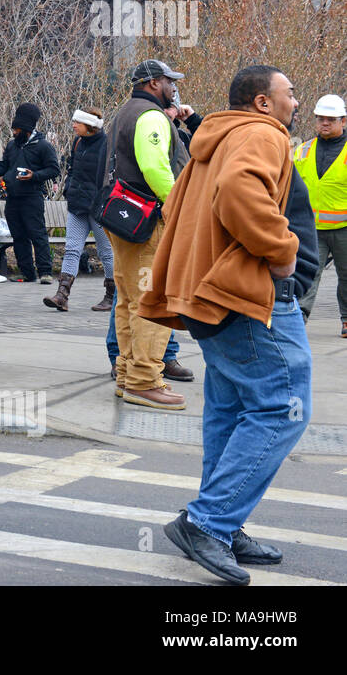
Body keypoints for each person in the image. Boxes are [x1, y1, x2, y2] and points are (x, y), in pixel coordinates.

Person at [142, 66, 315, 584]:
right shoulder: (264, 134)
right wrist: (282, 252)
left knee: (230, 410)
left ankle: (222, 518)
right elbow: (241, 193)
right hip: (245, 297)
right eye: (289, 92)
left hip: (209, 297)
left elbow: (173, 206)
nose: (296, 101)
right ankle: (210, 522)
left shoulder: (214, 137)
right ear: (262, 101)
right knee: (282, 410)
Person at [101, 59, 191, 409]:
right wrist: (178, 205)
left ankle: (127, 374)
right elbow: (154, 166)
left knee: (128, 300)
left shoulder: (126, 112)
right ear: (154, 83)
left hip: (125, 220)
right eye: (170, 81)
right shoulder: (151, 116)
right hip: (148, 221)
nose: (173, 87)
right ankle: (143, 380)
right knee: (154, 302)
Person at [44, 107, 115, 311]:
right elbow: (72, 169)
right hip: (77, 205)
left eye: (77, 122)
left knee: (106, 253)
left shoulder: (108, 144)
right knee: (72, 250)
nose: (73, 125)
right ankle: (62, 296)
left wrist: (103, 199)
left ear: (90, 126)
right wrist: (68, 189)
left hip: (98, 207)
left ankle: (112, 296)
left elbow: (110, 176)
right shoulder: (77, 143)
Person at [0, 103, 60, 284]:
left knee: (37, 234)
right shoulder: (12, 146)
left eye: (17, 129)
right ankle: (27, 272)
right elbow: (4, 165)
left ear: (26, 129)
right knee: (18, 236)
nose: (14, 132)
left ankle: (45, 272)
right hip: (13, 198)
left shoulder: (43, 146)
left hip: (32, 197)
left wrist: (35, 176)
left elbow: (53, 169)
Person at [293, 93, 347, 337]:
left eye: (331, 119)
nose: (325, 123)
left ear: (343, 121)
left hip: (344, 228)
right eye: (321, 119)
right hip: (313, 228)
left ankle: (346, 320)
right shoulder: (303, 151)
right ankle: (299, 318)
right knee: (308, 273)